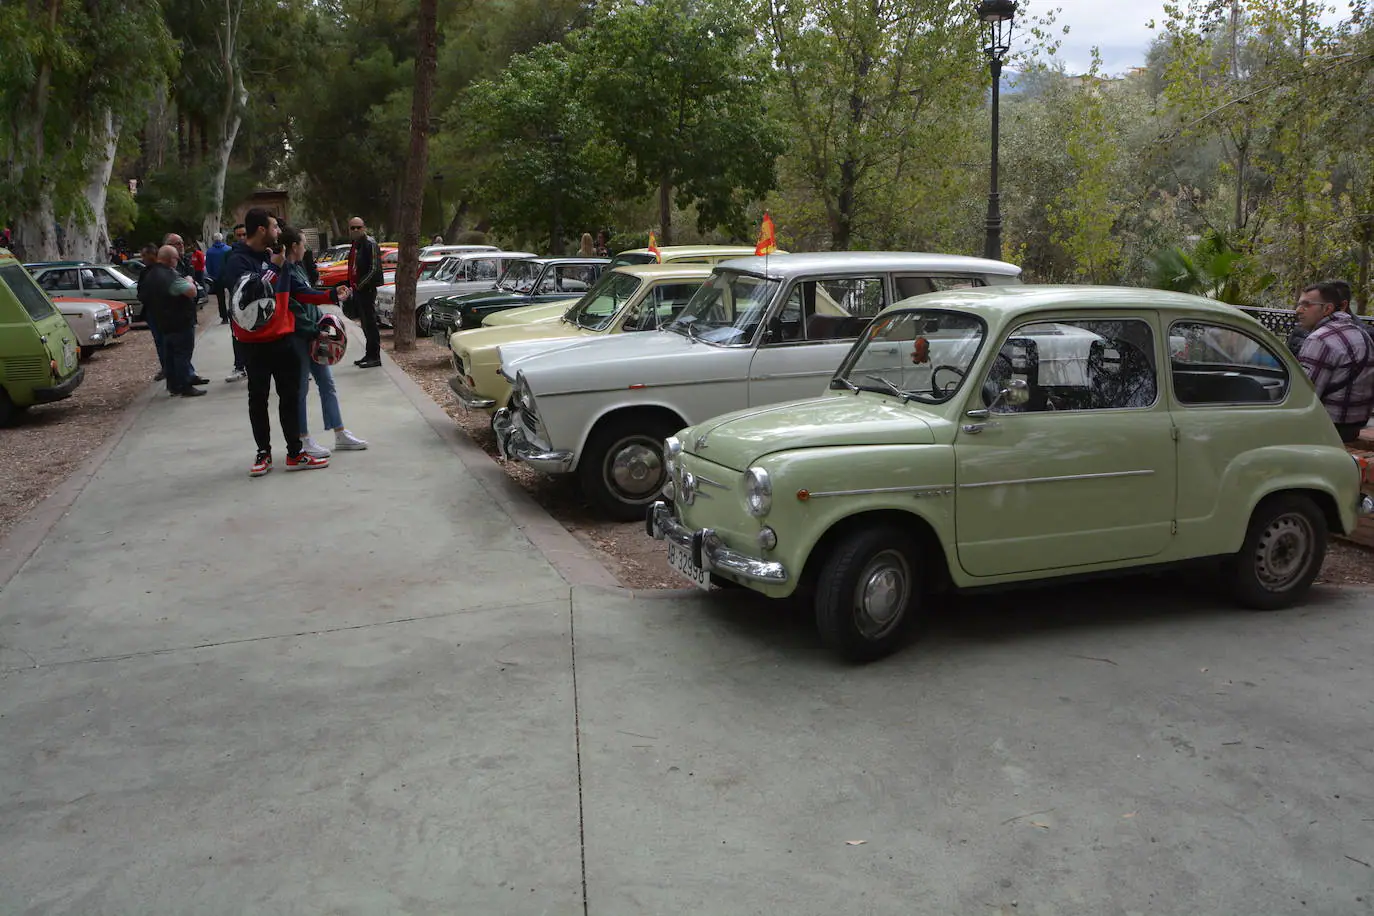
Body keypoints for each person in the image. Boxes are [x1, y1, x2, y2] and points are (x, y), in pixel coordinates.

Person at [221, 207, 329, 477]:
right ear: (261, 230)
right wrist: (274, 266)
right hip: (254, 343)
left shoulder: (275, 257)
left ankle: (295, 453)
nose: (279, 231)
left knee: (290, 397)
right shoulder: (237, 261)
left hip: (283, 339)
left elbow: (297, 291)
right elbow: (250, 293)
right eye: (275, 227)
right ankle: (263, 453)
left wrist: (332, 296)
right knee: (258, 398)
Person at [277, 225, 368, 457]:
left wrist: (323, 320)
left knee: (327, 384)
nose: (306, 246)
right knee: (301, 390)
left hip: (315, 334)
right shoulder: (285, 271)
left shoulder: (298, 268)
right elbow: (296, 305)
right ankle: (303, 438)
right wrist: (331, 297)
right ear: (294, 246)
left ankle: (339, 432)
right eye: (303, 243)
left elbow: (309, 297)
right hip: (299, 338)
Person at [1295, 281, 1374, 443]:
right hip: (1354, 425)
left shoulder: (1320, 339)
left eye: (1306, 305)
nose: (1298, 310)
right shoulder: (1361, 333)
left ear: (1327, 309)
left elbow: (1304, 395)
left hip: (1327, 426)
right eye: (1299, 305)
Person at [144, 245, 205, 397]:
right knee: (182, 354)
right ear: (171, 259)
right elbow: (191, 291)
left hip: (162, 321)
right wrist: (190, 280)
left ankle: (173, 385)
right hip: (179, 320)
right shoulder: (169, 277)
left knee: (169, 356)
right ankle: (185, 385)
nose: (178, 261)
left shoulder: (150, 274)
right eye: (176, 258)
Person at [346, 216, 383, 369]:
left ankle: (375, 356)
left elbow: (374, 268)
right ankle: (369, 354)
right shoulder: (356, 245)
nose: (355, 230)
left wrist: (360, 284)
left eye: (358, 227)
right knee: (365, 323)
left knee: (371, 323)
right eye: (352, 228)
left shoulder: (370, 244)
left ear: (364, 228)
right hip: (358, 289)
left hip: (367, 289)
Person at [136, 242, 169, 382]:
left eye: (145, 255)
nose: (143, 258)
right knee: (160, 342)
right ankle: (165, 368)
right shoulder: (144, 272)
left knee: (168, 342)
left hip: (165, 312)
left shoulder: (163, 270)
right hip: (152, 312)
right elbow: (140, 293)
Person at [205, 232, 231, 323]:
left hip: (217, 277)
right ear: (222, 239)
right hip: (228, 276)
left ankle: (224, 318)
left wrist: (212, 275)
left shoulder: (210, 251)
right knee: (232, 295)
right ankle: (233, 313)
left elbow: (208, 265)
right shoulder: (228, 249)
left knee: (220, 298)